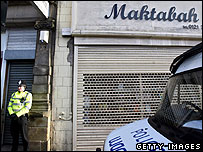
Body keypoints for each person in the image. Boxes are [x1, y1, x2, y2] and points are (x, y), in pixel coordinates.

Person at [7, 80, 32, 151]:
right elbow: (9, 106)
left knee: (24, 137)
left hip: (22, 118)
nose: (19, 88)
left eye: (21, 86)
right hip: (14, 118)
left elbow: (27, 108)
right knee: (14, 137)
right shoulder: (14, 94)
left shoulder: (28, 95)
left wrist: (17, 114)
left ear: (24, 87)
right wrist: (12, 114)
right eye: (18, 86)